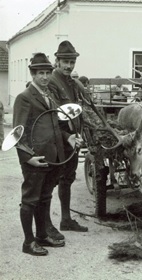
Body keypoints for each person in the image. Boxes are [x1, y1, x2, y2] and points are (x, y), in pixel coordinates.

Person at [13, 53, 78, 255]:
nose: (44, 77)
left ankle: (42, 235)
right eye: (40, 73)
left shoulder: (49, 95)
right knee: (30, 199)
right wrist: (28, 157)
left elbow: (57, 124)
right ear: (33, 74)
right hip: (35, 158)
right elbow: (18, 132)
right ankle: (28, 242)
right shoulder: (24, 98)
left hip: (52, 156)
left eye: (47, 73)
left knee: (45, 197)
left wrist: (68, 137)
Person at [47, 40, 88, 240]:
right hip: (58, 139)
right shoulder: (52, 82)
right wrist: (68, 136)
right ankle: (46, 226)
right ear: (57, 61)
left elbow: (77, 110)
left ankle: (65, 219)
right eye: (65, 61)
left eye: (72, 62)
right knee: (50, 181)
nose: (69, 66)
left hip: (73, 139)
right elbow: (52, 116)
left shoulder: (72, 82)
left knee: (68, 178)